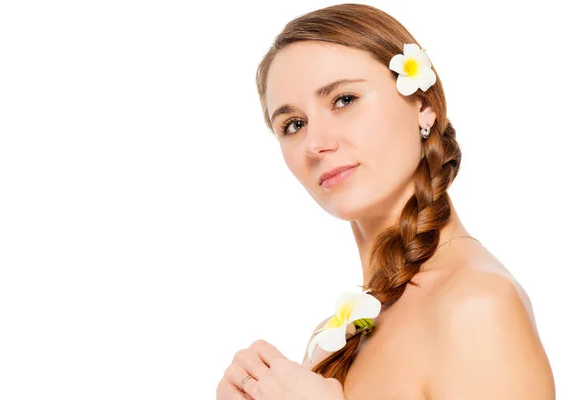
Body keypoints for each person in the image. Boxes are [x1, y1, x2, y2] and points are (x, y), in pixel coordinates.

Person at [216, 3, 555, 399]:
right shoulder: (336, 335)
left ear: (423, 105)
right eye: (293, 125)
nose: (315, 144)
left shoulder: (476, 305)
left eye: (344, 100)